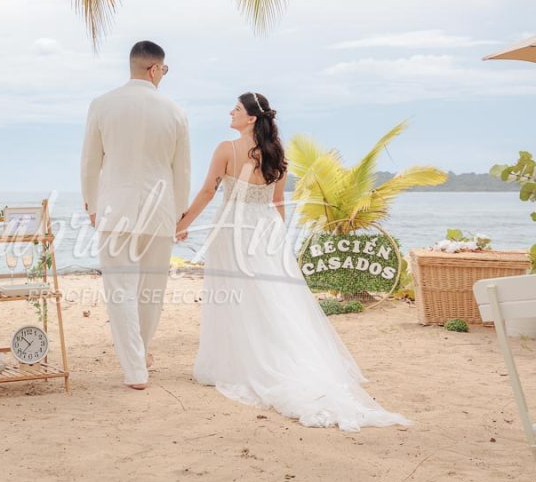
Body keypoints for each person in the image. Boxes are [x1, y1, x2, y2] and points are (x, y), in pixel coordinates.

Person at [174, 92, 410, 431]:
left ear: (251, 118)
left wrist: (183, 223)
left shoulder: (226, 149)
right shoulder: (277, 154)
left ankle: (237, 365)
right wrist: (278, 239)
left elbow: (209, 191)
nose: (231, 112)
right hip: (266, 230)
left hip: (234, 229)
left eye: (236, 109)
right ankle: (274, 358)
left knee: (236, 294)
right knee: (272, 298)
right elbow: (277, 201)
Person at [81, 40, 191, 390]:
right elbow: (182, 171)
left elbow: (90, 163)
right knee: (151, 292)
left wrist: (92, 204)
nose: (164, 76)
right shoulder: (175, 111)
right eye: (165, 70)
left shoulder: (102, 105)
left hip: (115, 209)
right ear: (154, 69)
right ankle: (139, 356)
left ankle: (135, 368)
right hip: (160, 212)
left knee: (120, 291)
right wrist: (179, 215)